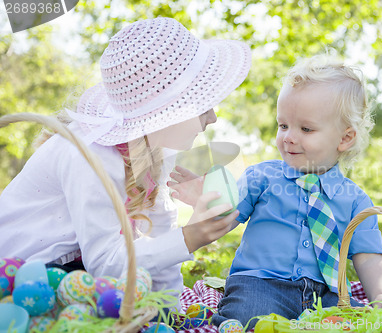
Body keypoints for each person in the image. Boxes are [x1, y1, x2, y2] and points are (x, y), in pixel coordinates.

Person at [0, 17, 250, 310]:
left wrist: (173, 312)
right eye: (202, 105)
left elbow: (160, 231)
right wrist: (189, 238)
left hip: (73, 271)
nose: (213, 117)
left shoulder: (154, 150)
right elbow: (105, 264)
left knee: (137, 300)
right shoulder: (89, 154)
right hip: (25, 278)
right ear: (168, 111)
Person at [170, 53, 382, 328]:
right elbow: (226, 217)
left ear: (345, 138)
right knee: (250, 317)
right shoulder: (262, 177)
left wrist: (381, 296)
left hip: (328, 295)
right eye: (283, 125)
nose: (288, 136)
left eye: (306, 128)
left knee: (363, 322)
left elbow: (368, 258)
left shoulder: (357, 201)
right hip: (261, 284)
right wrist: (209, 201)